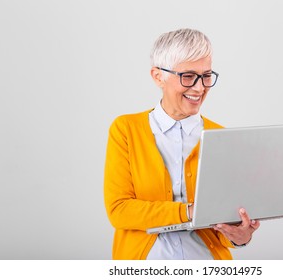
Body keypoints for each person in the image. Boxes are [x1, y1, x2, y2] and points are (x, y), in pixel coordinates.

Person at [104, 28, 260, 260]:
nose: (200, 87)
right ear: (158, 77)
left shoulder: (220, 136)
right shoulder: (126, 129)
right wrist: (190, 212)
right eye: (188, 76)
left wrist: (240, 236)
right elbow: (120, 210)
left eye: (206, 75)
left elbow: (225, 227)